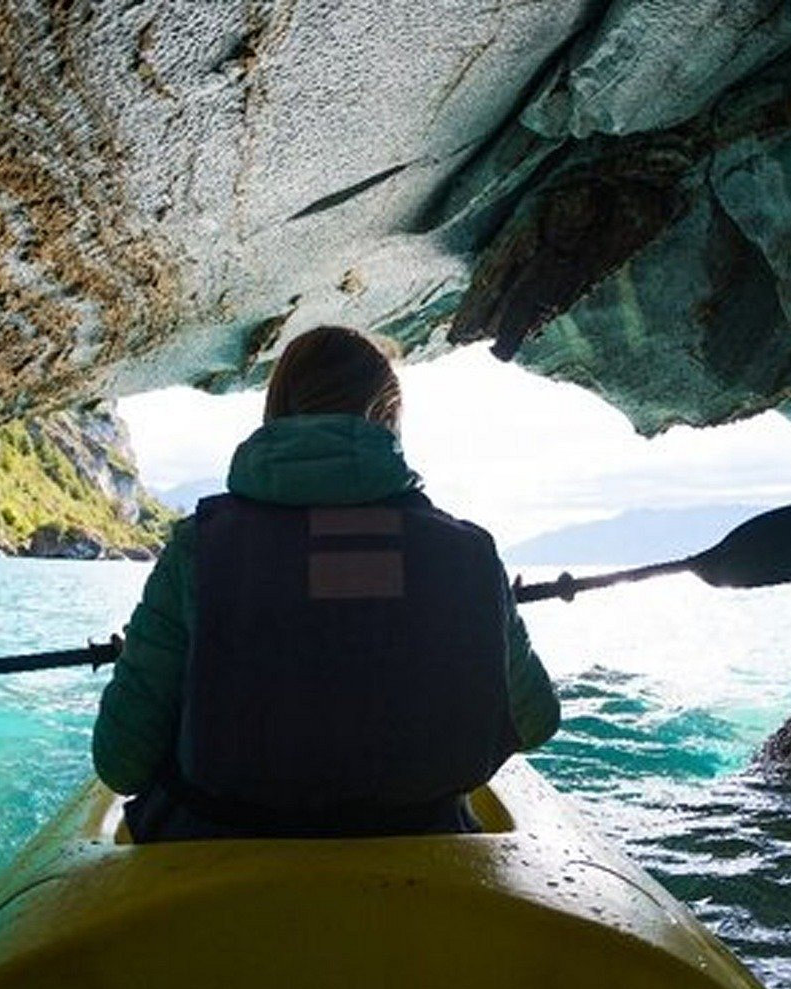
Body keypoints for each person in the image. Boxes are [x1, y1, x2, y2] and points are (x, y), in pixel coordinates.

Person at [92, 326, 560, 841]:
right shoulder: (469, 552)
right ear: (386, 420)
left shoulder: (196, 550)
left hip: (217, 868)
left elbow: (121, 764)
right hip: (424, 863)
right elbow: (535, 720)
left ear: (277, 413)